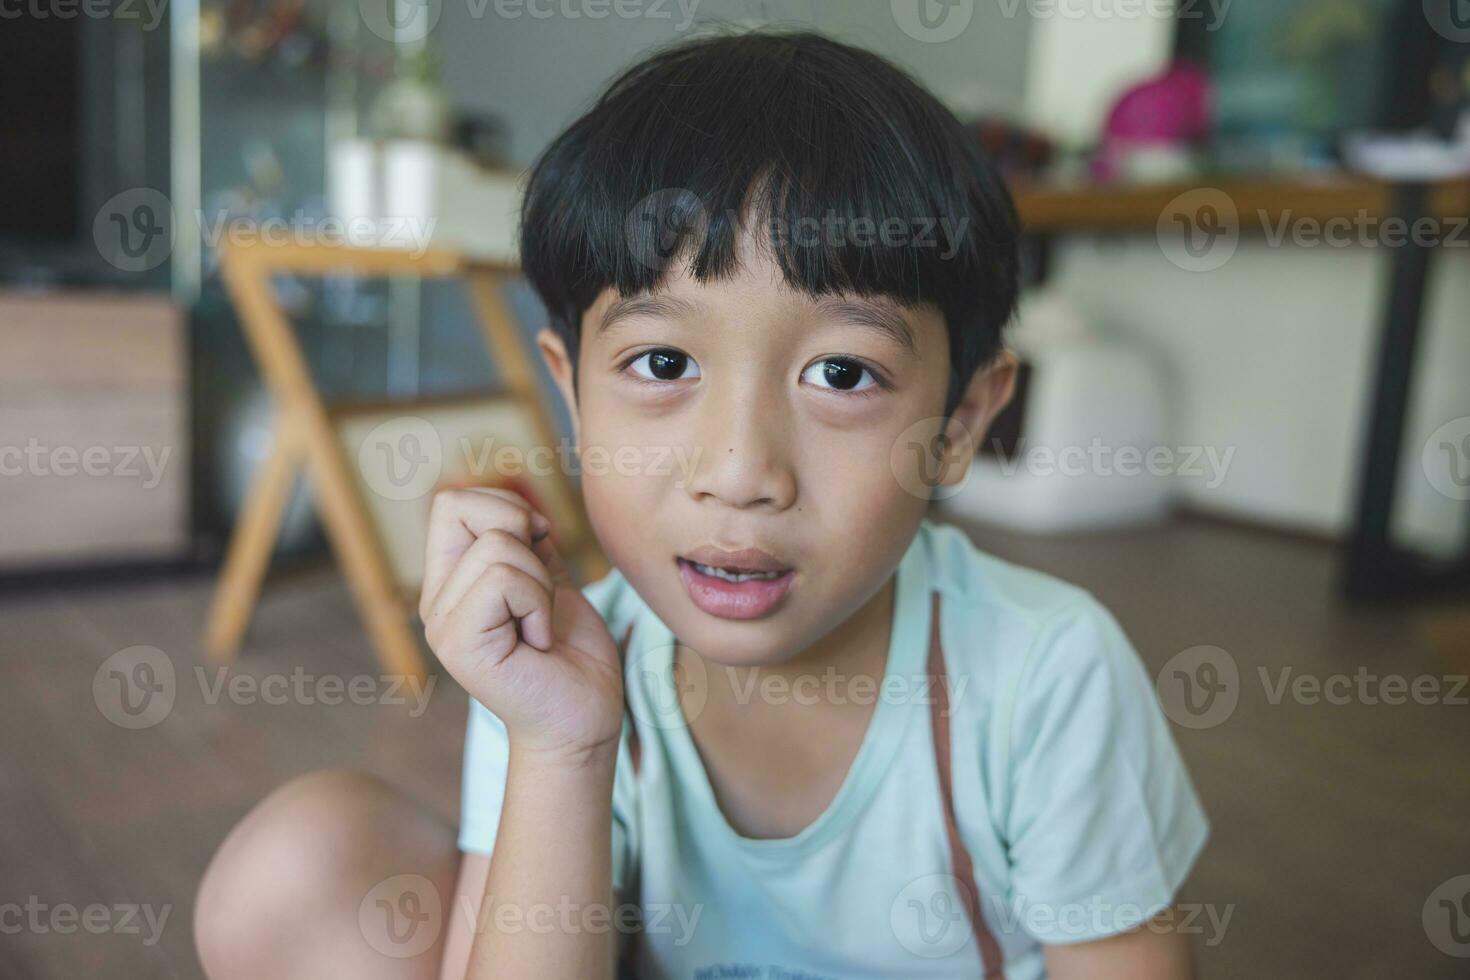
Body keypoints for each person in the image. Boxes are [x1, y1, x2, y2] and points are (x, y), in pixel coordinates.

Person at [194, 29, 1209, 980]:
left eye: (843, 374)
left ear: (961, 420)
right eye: (663, 360)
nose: (739, 469)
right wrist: (562, 743)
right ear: (572, 390)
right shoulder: (556, 663)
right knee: (300, 863)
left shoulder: (1045, 674)